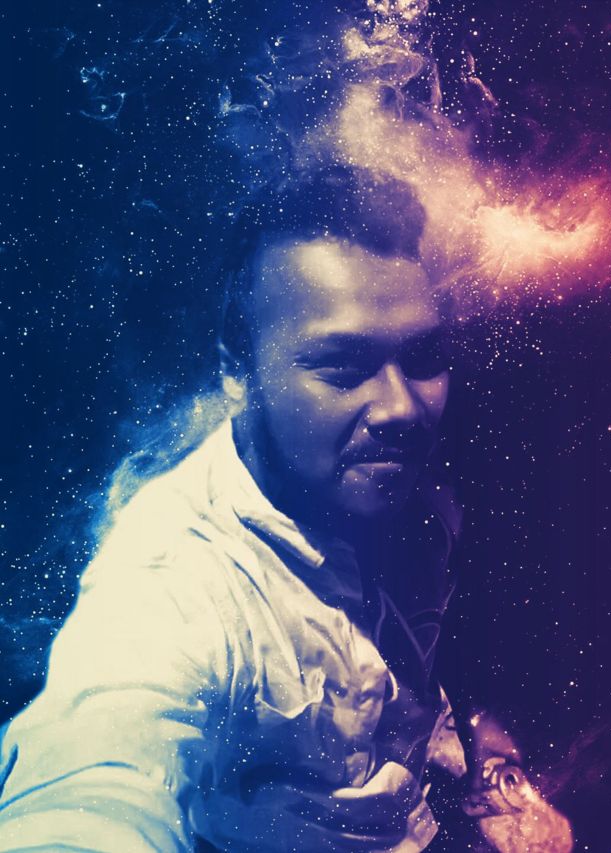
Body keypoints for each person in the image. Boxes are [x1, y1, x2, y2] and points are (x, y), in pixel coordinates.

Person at [0, 167, 568, 852]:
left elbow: (437, 650)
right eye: (342, 366)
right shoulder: (171, 585)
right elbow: (90, 782)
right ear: (235, 368)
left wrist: (487, 759)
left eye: (423, 357)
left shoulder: (423, 486)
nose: (402, 408)